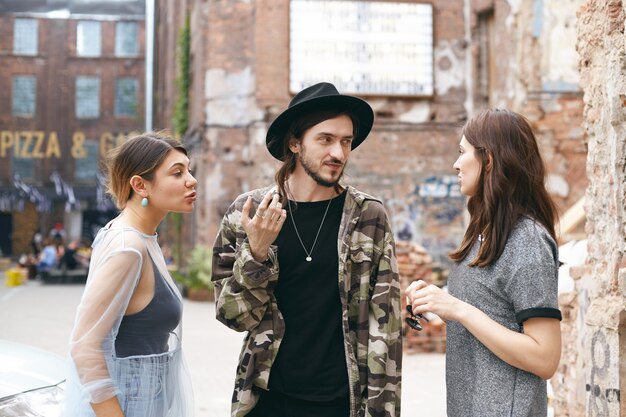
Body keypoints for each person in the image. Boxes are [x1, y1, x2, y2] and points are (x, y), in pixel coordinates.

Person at [212, 82, 402, 417]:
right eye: (325, 139)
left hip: (342, 403)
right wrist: (256, 254)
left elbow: (386, 329)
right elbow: (233, 316)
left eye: (346, 142)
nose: (339, 153)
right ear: (295, 143)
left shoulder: (369, 217)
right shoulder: (249, 213)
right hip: (267, 400)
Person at [405, 109, 562, 417]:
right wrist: (438, 304)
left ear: (488, 160)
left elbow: (545, 358)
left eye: (462, 152)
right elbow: (493, 315)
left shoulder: (527, 240)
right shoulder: (483, 234)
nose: (455, 164)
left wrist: (459, 309)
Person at [63, 133, 197, 417]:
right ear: (140, 185)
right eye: (177, 172)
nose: (191, 179)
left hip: (145, 401)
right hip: (129, 406)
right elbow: (85, 345)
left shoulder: (144, 238)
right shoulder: (129, 247)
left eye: (189, 169)